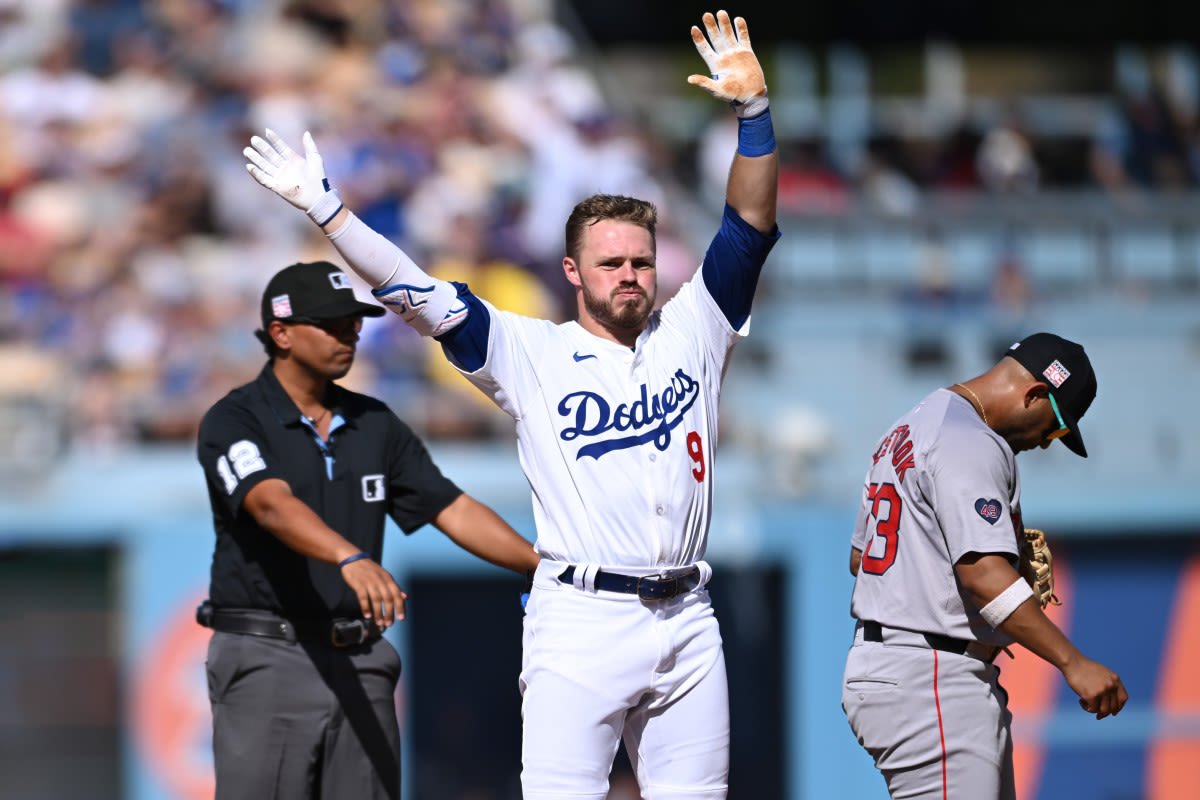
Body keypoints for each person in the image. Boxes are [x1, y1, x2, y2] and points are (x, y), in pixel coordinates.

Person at [242, 10, 780, 798]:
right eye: (609, 263)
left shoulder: (696, 326)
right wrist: (329, 213)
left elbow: (750, 224)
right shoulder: (532, 351)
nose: (628, 274)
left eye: (639, 261)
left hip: (689, 611)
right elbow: (410, 292)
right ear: (572, 270)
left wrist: (755, 118)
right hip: (582, 615)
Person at [195, 260, 539, 800]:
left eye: (353, 321)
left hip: (361, 657)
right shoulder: (236, 418)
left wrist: (539, 565)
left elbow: (449, 507)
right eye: (330, 323)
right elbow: (268, 504)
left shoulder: (373, 422)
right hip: (270, 655)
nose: (349, 332)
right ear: (281, 333)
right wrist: (349, 557)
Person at [842, 332, 1129, 799]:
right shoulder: (970, 440)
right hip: (932, 677)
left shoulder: (910, 425)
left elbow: (861, 559)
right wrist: (1073, 662)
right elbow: (983, 577)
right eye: (1056, 426)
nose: (1048, 442)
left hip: (904, 665)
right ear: (1035, 394)